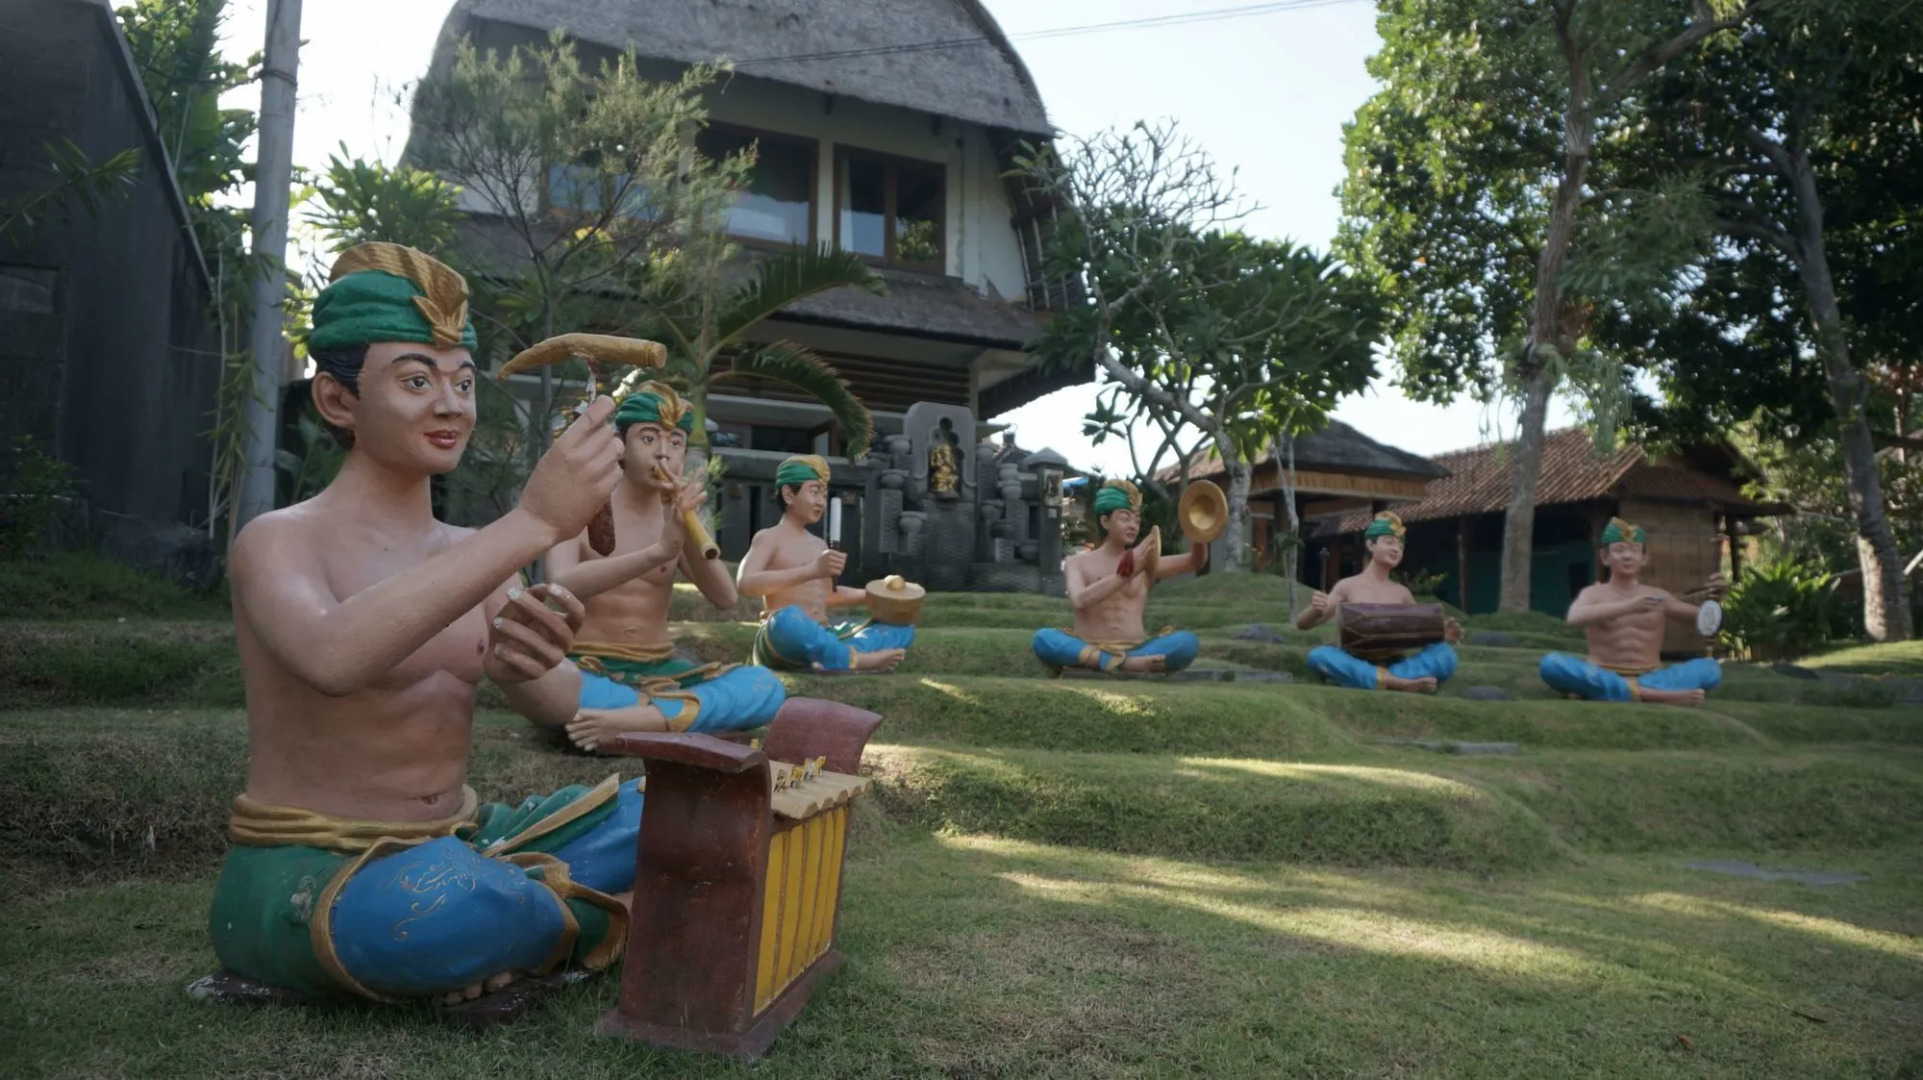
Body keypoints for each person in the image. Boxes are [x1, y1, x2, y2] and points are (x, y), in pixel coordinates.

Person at [212, 242, 639, 1005]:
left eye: (463, 382)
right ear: (338, 402)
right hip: (315, 867)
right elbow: (331, 657)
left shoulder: (472, 556)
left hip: (458, 840)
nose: (451, 405)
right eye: (416, 380)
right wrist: (537, 519)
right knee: (442, 911)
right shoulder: (277, 541)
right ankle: (575, 919)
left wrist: (528, 663)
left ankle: (522, 918)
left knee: (670, 814)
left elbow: (552, 700)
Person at [545, 381, 785, 752]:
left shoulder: (676, 519)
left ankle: (639, 722)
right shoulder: (580, 508)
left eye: (675, 443)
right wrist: (658, 552)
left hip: (661, 669)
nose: (663, 454)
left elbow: (725, 597)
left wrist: (686, 526)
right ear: (620, 446)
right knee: (547, 681)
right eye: (649, 439)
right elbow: (560, 583)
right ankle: (681, 722)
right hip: (588, 666)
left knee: (765, 687)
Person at [738, 454, 913, 672]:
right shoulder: (768, 538)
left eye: (824, 494)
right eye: (814, 492)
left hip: (822, 633)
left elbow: (827, 594)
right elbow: (745, 584)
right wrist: (812, 570)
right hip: (785, 636)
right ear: (788, 494)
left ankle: (832, 658)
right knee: (786, 619)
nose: (821, 501)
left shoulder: (818, 543)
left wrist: (873, 595)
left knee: (900, 628)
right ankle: (856, 660)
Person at [1540, 517, 1726, 705]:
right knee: (1552, 664)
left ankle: (1608, 690)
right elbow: (1574, 618)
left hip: (1650, 674)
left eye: (1634, 550)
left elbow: (1705, 620)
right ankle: (1656, 695)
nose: (1627, 556)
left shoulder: (1658, 596)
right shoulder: (1592, 594)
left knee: (1710, 669)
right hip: (1602, 671)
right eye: (1619, 550)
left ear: (1644, 558)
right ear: (1605, 557)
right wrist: (1629, 607)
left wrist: (1715, 598)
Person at [1032, 479, 1204, 674]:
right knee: (1043, 638)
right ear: (1105, 521)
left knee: (1187, 642)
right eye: (1125, 519)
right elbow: (1079, 600)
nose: (1133, 526)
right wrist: (1125, 576)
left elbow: (1194, 562)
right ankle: (1123, 663)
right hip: (1090, 645)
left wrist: (1201, 530)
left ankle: (1114, 662)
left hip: (1137, 647)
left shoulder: (1144, 562)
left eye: (1137, 521)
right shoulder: (1076, 563)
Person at [1297, 511, 1462, 693]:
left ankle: (1380, 679)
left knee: (1446, 655)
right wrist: (1315, 609)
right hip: (1355, 660)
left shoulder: (1402, 593)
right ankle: (1399, 684)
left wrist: (1440, 635)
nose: (1396, 549)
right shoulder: (1347, 586)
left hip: (1394, 665)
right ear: (1370, 544)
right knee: (1319, 656)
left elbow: (1420, 634)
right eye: (1389, 542)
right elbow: (1302, 625)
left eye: (1400, 546)